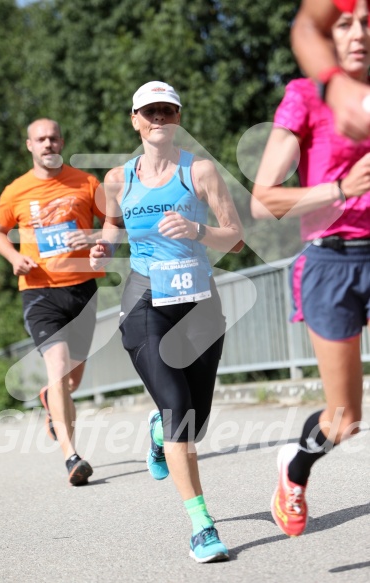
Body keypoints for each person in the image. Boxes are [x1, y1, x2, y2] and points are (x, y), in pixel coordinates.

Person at [90, 81, 244, 562]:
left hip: (198, 302)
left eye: (168, 110)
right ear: (134, 119)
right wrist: (104, 244)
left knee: (192, 423)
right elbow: (114, 223)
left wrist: (199, 230)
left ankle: (158, 435)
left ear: (178, 118)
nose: (159, 118)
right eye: (150, 111)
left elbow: (236, 238)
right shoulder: (118, 178)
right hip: (145, 300)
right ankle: (202, 525)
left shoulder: (199, 171)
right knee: (179, 407)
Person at [251, 0, 370, 537]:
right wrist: (340, 189)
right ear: (326, 32)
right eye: (345, 22)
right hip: (333, 262)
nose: (358, 32)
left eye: (367, 22)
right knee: (344, 419)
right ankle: (295, 469)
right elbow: (263, 200)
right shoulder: (305, 96)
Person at [0, 118, 105, 486]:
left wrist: (92, 237)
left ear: (62, 142)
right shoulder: (16, 190)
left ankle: (50, 400)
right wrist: (12, 258)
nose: (48, 144)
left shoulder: (87, 183)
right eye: (41, 139)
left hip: (83, 288)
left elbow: (114, 225)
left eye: (54, 138)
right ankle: (72, 456)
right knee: (56, 368)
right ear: (29, 145)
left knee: (71, 380)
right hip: (39, 291)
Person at [292, 0, 370, 141]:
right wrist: (334, 87)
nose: (359, 35)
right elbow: (307, 26)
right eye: (345, 25)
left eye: (366, 22)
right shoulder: (303, 96)